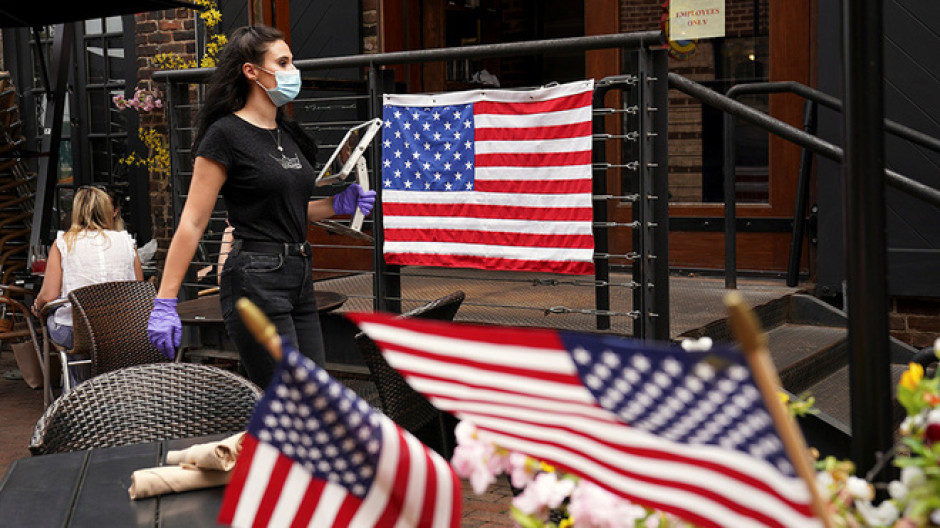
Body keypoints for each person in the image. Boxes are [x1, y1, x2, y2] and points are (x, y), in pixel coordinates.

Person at [146, 24, 375, 388]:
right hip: (256, 278)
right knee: (290, 400)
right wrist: (165, 301)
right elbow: (192, 220)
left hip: (299, 272)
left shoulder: (288, 135)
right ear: (252, 72)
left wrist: (336, 204)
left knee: (316, 394)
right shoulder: (225, 135)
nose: (293, 72)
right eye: (282, 63)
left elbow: (287, 210)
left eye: (292, 62)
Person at [32, 186, 144, 351]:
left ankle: (74, 376)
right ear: (107, 210)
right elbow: (138, 289)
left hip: (78, 331)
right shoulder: (126, 241)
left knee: (54, 320)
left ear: (77, 211)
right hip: (120, 330)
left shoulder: (64, 242)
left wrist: (37, 305)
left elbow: (49, 295)